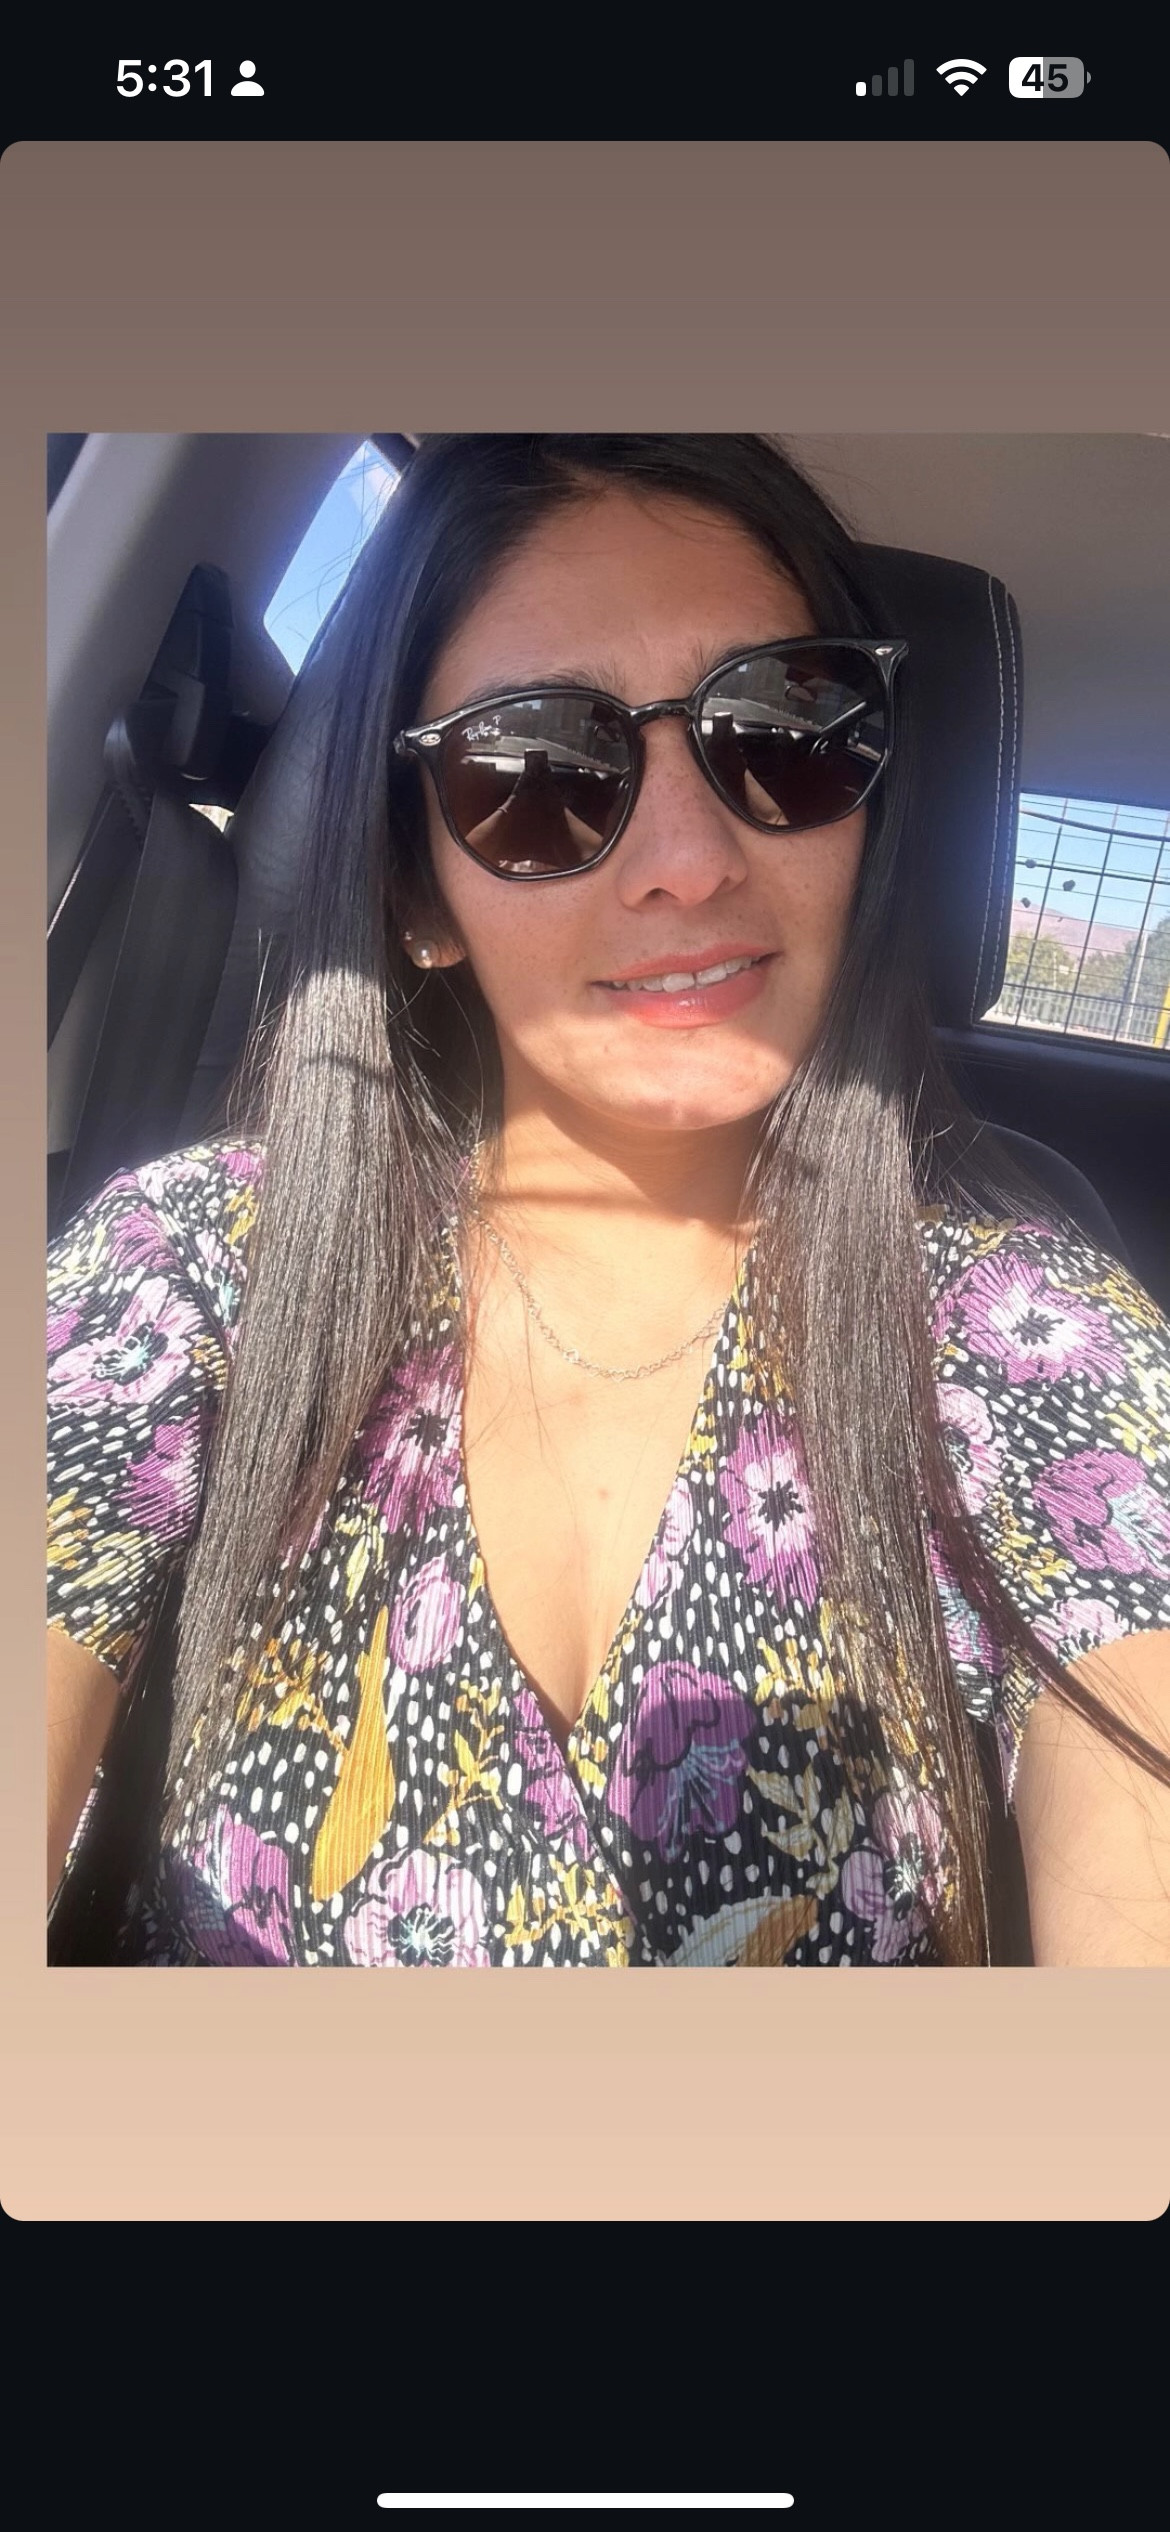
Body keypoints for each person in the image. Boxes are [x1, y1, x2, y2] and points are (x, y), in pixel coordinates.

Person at [46, 433, 1170, 1968]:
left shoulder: (1033, 1344)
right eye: (538, 773)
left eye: (783, 731)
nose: (689, 861)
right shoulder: (185, 1273)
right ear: (415, 893)